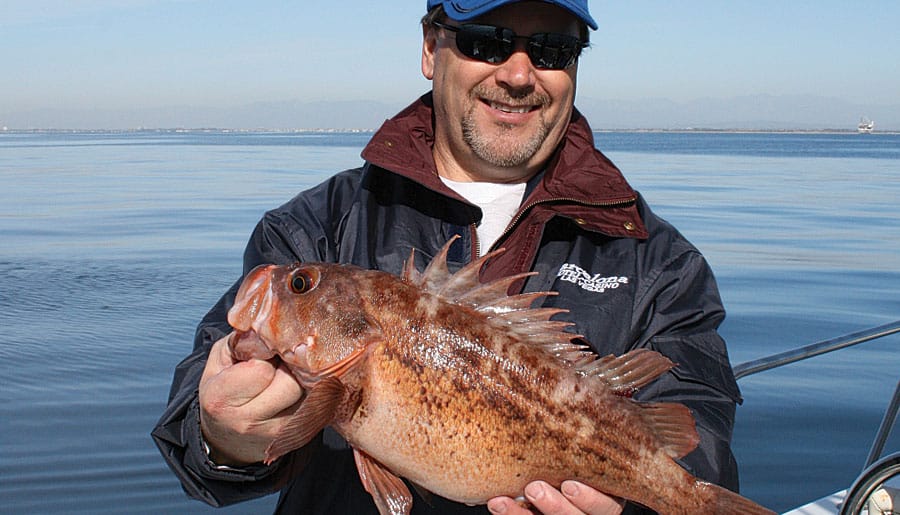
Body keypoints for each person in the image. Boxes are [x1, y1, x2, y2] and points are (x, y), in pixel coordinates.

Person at [152, 1, 743, 513]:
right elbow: (194, 431)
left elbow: (699, 424)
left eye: (552, 49)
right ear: (432, 50)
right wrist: (225, 437)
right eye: (485, 41)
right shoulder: (316, 228)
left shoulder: (660, 262)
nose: (518, 74)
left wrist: (632, 510)